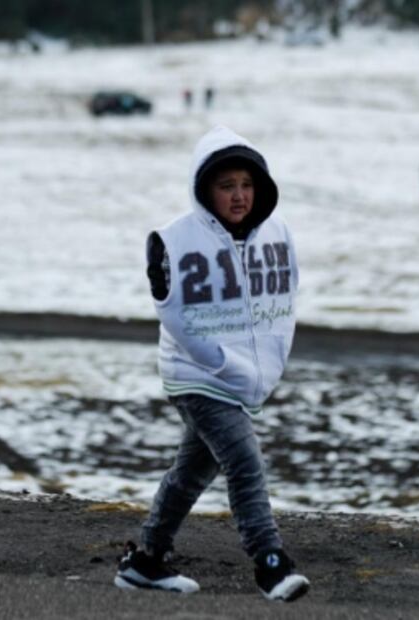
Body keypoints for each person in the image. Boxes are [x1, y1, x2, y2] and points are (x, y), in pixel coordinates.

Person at [114, 126, 310, 603]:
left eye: (246, 185)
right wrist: (220, 363)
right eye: (227, 187)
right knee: (244, 460)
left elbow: (286, 300)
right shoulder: (176, 241)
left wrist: (265, 366)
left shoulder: (276, 235)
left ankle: (145, 562)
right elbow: (175, 314)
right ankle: (270, 564)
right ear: (206, 191)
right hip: (195, 376)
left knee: (192, 472)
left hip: (243, 377)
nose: (239, 196)